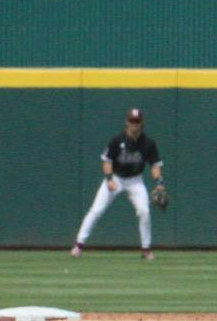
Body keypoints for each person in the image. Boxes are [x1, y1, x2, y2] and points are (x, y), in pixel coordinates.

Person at [71, 107, 165, 259]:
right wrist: (109, 179)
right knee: (97, 210)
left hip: (135, 181)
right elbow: (107, 161)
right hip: (116, 178)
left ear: (142, 123)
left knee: (144, 211)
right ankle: (79, 245)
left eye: (137, 122)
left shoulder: (148, 143)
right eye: (132, 121)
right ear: (127, 123)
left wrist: (159, 182)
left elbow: (155, 165)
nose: (134, 124)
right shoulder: (117, 140)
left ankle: (146, 249)